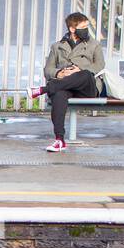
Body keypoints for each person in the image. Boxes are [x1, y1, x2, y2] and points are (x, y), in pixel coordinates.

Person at [27, 13, 105, 152]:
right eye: (83, 27)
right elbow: (48, 69)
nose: (86, 30)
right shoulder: (57, 46)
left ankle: (44, 89)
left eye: (87, 26)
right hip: (66, 85)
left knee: (85, 74)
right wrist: (59, 73)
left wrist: (79, 70)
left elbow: (99, 65)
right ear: (72, 29)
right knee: (59, 95)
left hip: (87, 87)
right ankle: (59, 140)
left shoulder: (94, 44)